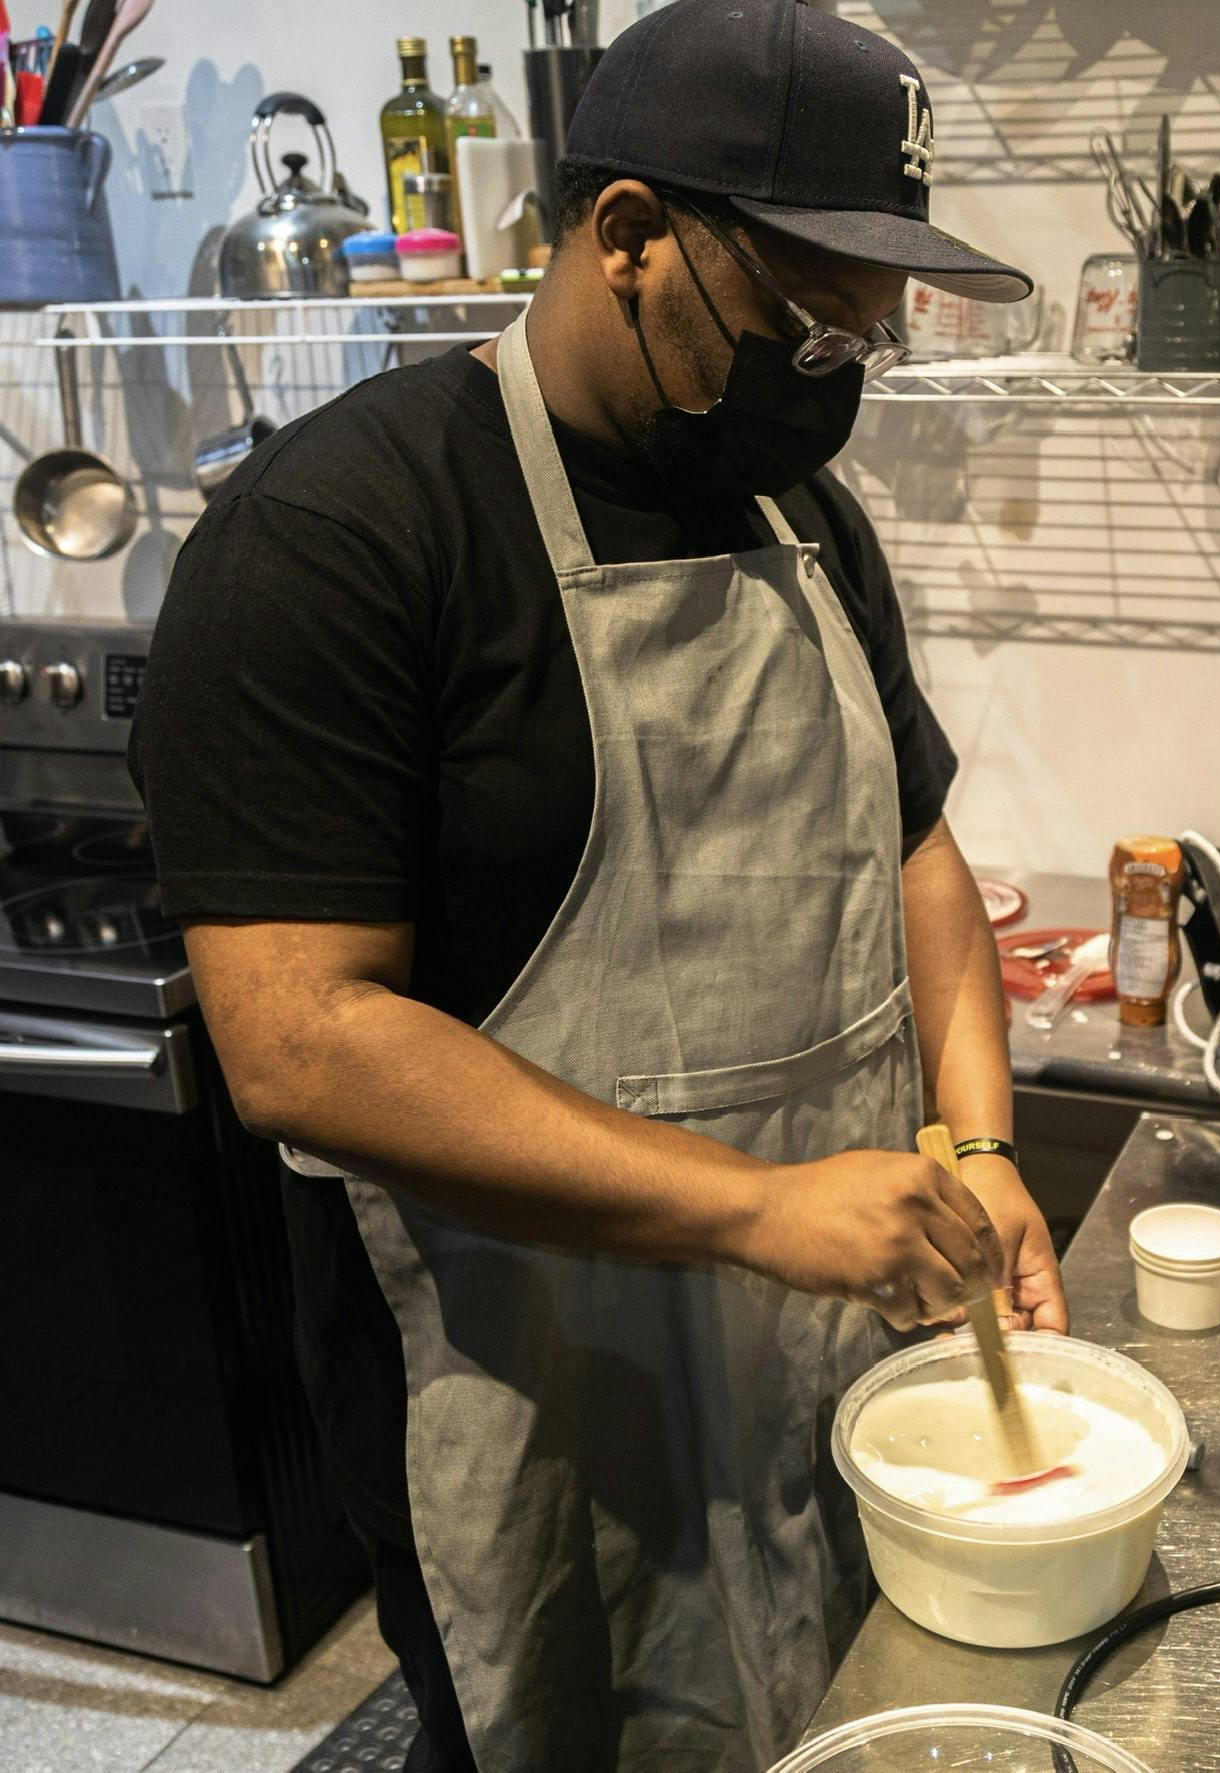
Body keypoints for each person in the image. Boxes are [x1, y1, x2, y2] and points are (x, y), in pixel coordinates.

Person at [129, 2, 1067, 1768]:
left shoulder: (798, 513)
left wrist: (981, 1138)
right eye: (800, 321)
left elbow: (914, 848)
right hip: (540, 1375)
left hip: (814, 1329)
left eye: (867, 337)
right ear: (626, 235)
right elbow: (300, 1039)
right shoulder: (345, 536)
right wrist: (749, 1205)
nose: (832, 379)